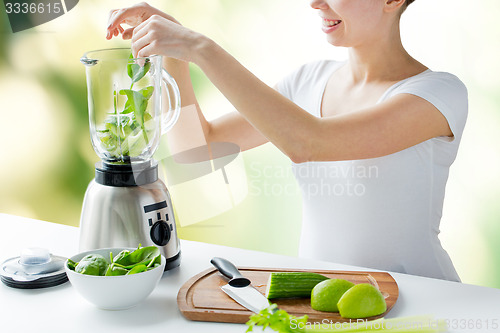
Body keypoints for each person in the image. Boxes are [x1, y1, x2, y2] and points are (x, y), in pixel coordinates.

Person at [106, 0, 467, 281]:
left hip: (420, 297)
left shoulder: (438, 93)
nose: (315, 3)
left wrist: (200, 47)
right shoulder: (308, 81)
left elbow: (310, 143)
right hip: (317, 296)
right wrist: (175, 52)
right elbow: (197, 150)